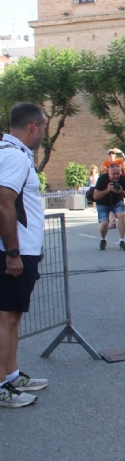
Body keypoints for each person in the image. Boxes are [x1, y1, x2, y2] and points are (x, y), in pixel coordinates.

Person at [0, 102, 49, 408]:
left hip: (22, 248)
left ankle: (12, 374)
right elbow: (4, 203)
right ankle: (2, 385)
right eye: (43, 127)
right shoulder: (14, 157)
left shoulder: (12, 154)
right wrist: (14, 253)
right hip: (16, 251)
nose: (43, 132)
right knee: (6, 318)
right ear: (33, 126)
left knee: (12, 317)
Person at [94, 161, 125, 251]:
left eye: (118, 174)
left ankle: (122, 241)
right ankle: (103, 239)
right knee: (104, 224)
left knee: (121, 216)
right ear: (108, 173)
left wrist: (121, 192)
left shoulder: (123, 179)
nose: (116, 176)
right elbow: (95, 196)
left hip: (117, 201)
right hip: (103, 203)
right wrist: (107, 190)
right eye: (113, 174)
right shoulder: (102, 179)